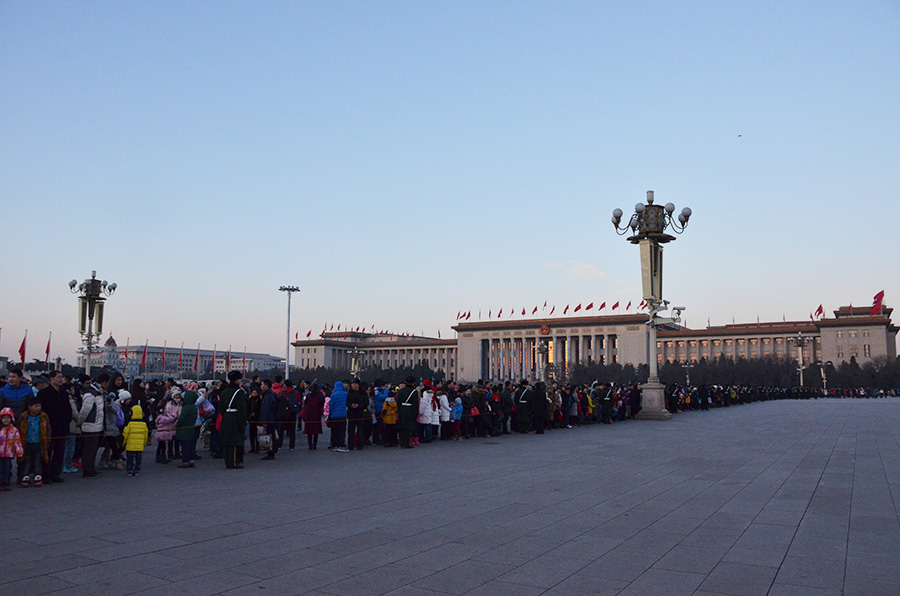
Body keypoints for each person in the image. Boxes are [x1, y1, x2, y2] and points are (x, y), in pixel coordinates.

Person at [38, 370, 71, 483]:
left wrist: (67, 421)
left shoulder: (64, 393)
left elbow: (68, 410)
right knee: (47, 451)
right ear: (51, 379)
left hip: (62, 427)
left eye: (61, 377)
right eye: (58, 377)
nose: (60, 379)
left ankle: (55, 473)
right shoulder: (43, 393)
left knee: (59, 451)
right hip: (49, 427)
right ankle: (45, 474)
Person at [18, 395, 51, 487]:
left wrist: (47, 440)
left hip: (39, 442)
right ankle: (25, 476)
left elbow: (48, 429)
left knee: (38, 460)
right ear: (29, 407)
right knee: (26, 460)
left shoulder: (43, 416)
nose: (38, 408)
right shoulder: (23, 416)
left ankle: (38, 476)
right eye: (35, 406)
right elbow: (18, 428)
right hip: (26, 442)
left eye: (39, 406)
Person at [77, 375, 105, 480]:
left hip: (95, 425)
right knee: (89, 451)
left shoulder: (94, 394)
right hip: (90, 426)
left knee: (92, 451)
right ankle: (88, 471)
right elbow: (84, 411)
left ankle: (91, 469)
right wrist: (80, 422)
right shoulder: (90, 395)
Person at [218, 371, 248, 469]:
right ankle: (233, 462)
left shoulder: (224, 392)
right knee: (234, 441)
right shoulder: (239, 392)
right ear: (236, 380)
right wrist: (243, 422)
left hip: (226, 417)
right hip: (235, 417)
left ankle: (227, 461)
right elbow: (242, 409)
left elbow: (221, 408)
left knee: (227, 441)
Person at [0, 407, 24, 491]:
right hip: (0, 453)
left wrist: (19, 452)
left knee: (7, 468)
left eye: (8, 418)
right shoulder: (0, 430)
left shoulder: (14, 430)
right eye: (4, 418)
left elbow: (17, 442)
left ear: (11, 419)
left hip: (8, 453)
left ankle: (6, 482)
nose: (6, 420)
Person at [122, 404, 148, 476]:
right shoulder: (144, 424)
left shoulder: (130, 424)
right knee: (138, 459)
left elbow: (125, 435)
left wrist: (124, 443)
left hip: (130, 445)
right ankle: (137, 470)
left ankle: (129, 470)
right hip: (139, 446)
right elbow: (146, 436)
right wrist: (144, 444)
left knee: (130, 458)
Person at [175, 391, 199, 468]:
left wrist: (177, 425)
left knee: (185, 445)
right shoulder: (194, 407)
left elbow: (182, 418)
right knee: (190, 445)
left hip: (184, 428)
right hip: (191, 427)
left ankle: (185, 461)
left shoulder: (186, 407)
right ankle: (191, 460)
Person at [301, 383, 326, 450]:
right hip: (317, 414)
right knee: (316, 431)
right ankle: (314, 445)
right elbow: (322, 403)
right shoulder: (320, 396)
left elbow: (305, 403)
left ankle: (310, 445)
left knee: (309, 431)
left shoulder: (309, 396)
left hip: (309, 414)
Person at [397, 377, 419, 449]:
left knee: (402, 427)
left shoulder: (401, 391)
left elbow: (398, 402)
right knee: (408, 428)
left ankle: (401, 442)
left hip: (402, 409)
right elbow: (415, 404)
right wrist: (415, 414)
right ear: (413, 383)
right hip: (410, 410)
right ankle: (407, 443)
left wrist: (399, 410)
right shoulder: (414, 392)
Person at [346, 378, 368, 451]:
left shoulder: (363, 393)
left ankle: (360, 445)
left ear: (357, 385)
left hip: (360, 413)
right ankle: (350, 445)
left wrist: (358, 405)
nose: (352, 385)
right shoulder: (349, 393)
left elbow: (366, 403)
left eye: (353, 384)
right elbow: (346, 402)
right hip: (351, 413)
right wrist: (351, 405)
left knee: (360, 430)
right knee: (350, 430)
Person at [259, 379, 278, 460]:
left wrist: (264, 421)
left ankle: (271, 452)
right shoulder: (269, 394)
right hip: (271, 418)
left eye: (262, 384)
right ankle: (270, 450)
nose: (261, 386)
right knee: (270, 435)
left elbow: (266, 409)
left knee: (269, 435)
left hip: (269, 419)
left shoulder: (268, 396)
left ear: (266, 385)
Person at [328, 381, 348, 452]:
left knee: (334, 431)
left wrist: (330, 413)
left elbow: (331, 405)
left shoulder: (333, 395)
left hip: (334, 415)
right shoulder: (346, 394)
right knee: (342, 431)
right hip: (343, 415)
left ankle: (335, 445)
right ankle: (341, 444)